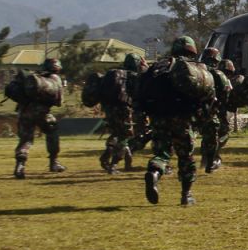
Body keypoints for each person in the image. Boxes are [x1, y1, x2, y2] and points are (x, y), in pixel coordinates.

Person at [144, 36, 203, 206]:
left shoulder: (158, 67)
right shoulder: (191, 67)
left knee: (162, 152)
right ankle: (186, 194)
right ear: (191, 50)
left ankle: (154, 173)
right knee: (185, 156)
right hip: (182, 117)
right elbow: (202, 93)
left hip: (158, 117)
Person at [14, 57, 65, 178]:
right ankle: (54, 162)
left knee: (26, 140)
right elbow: (59, 102)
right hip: (42, 113)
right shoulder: (54, 78)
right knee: (53, 132)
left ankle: (19, 166)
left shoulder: (32, 78)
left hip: (23, 112)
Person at [99, 53, 142, 175]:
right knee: (125, 136)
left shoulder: (112, 73)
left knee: (116, 133)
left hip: (108, 108)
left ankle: (109, 152)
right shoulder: (133, 76)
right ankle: (113, 164)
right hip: (123, 109)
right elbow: (137, 95)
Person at [197, 47, 232, 173]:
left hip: (194, 111)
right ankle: (211, 161)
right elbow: (226, 93)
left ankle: (205, 159)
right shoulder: (217, 74)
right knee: (222, 134)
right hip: (213, 111)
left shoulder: (196, 70)